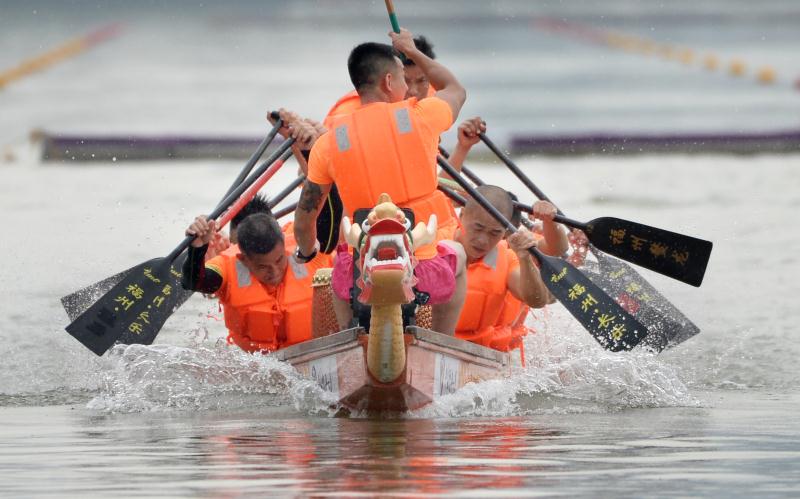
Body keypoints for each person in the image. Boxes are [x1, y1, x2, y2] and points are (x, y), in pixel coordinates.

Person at [293, 27, 468, 335]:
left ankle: (350, 334)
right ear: (389, 82)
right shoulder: (422, 115)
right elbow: (455, 89)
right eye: (403, 77)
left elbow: (304, 220)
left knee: (338, 264)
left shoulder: (330, 141)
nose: (410, 88)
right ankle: (443, 340)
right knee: (460, 257)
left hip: (360, 272)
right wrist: (412, 51)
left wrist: (307, 251)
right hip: (422, 265)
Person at [181, 211, 331, 353]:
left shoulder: (308, 248)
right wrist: (197, 249)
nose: (275, 271)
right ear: (244, 260)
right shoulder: (227, 266)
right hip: (258, 367)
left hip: (313, 354)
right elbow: (194, 283)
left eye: (279, 260)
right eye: (263, 267)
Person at [452, 184, 569, 351]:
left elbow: (557, 249)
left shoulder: (510, 253)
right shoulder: (434, 238)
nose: (483, 240)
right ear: (461, 215)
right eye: (478, 228)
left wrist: (549, 222)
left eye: (494, 233)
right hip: (434, 343)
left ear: (505, 233)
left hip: (485, 353)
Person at [322, 35, 438, 129]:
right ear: (389, 80)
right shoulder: (346, 117)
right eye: (405, 79)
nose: (412, 90)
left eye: (422, 80)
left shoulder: (433, 98)